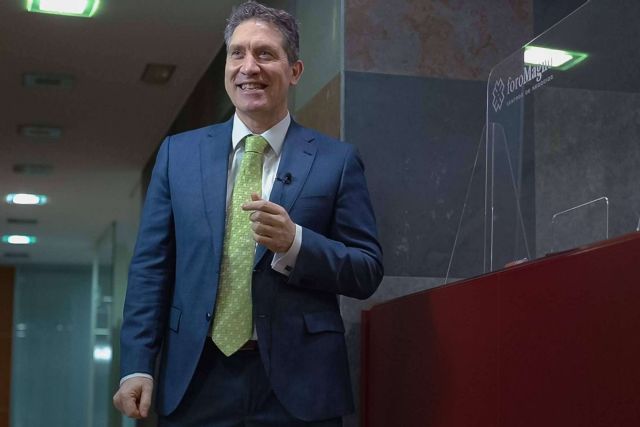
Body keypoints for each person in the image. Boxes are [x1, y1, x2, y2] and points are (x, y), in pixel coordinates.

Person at [112, 1, 383, 425]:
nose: (248, 67)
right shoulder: (178, 155)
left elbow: (367, 270)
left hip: (299, 385)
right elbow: (151, 269)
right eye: (237, 53)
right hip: (196, 379)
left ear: (295, 71)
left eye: (265, 54)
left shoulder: (337, 161)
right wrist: (137, 364)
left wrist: (296, 244)